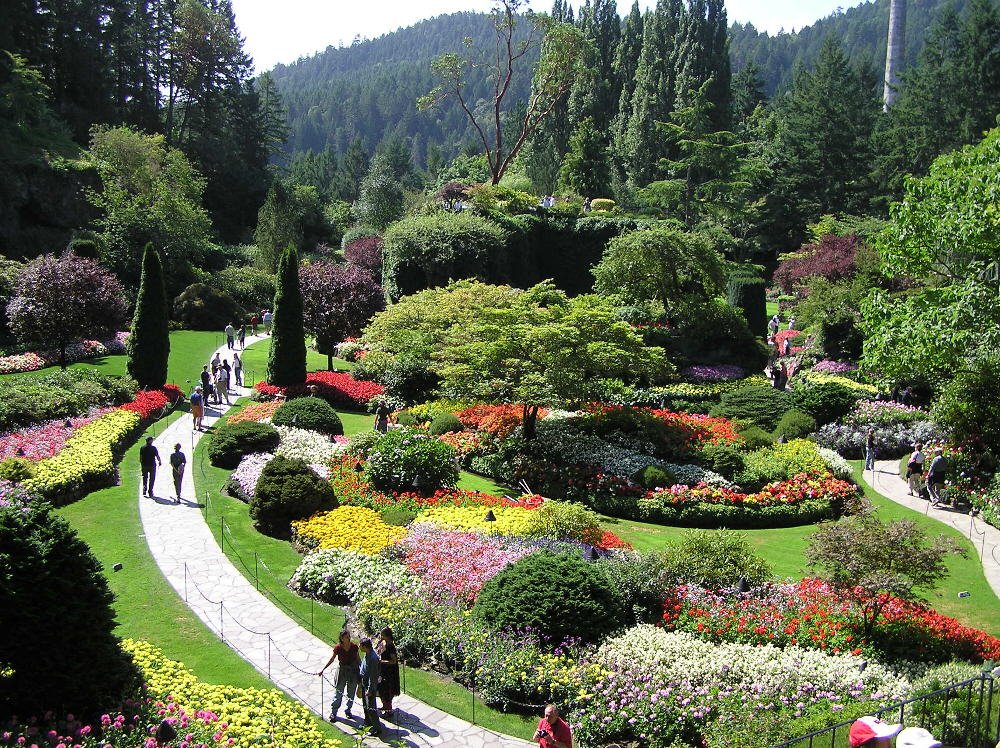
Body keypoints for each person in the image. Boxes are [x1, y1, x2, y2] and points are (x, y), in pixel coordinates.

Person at [318, 630, 360, 722]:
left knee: (351, 692)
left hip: (352, 671)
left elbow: (358, 659)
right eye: (346, 637)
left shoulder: (354, 647)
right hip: (342, 671)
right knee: (338, 692)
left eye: (349, 636)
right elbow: (332, 659)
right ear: (342, 638)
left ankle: (348, 710)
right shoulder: (338, 648)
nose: (348, 638)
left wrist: (360, 672)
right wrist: (323, 669)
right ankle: (334, 712)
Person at [357, 638, 382, 736]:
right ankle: (368, 722)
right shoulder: (367, 654)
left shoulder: (373, 658)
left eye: (360, 645)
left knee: (371, 708)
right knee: (365, 706)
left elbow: (373, 676)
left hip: (369, 687)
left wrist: (370, 690)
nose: (359, 647)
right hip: (364, 683)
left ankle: (377, 728)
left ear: (365, 647)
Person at [376, 627, 400, 719]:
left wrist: (381, 662)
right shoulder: (383, 642)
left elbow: (393, 661)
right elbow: (378, 651)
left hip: (389, 672)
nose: (381, 636)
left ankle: (388, 711)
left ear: (387, 636)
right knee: (381, 689)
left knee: (387, 690)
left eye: (383, 635)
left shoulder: (390, 646)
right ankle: (384, 706)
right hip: (382, 671)